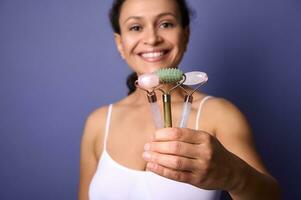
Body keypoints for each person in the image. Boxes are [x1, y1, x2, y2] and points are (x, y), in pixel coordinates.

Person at [78, 0, 280, 199]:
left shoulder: (220, 115)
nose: (152, 38)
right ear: (120, 43)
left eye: (166, 24)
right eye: (136, 27)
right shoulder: (98, 123)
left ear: (185, 35)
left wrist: (234, 176)